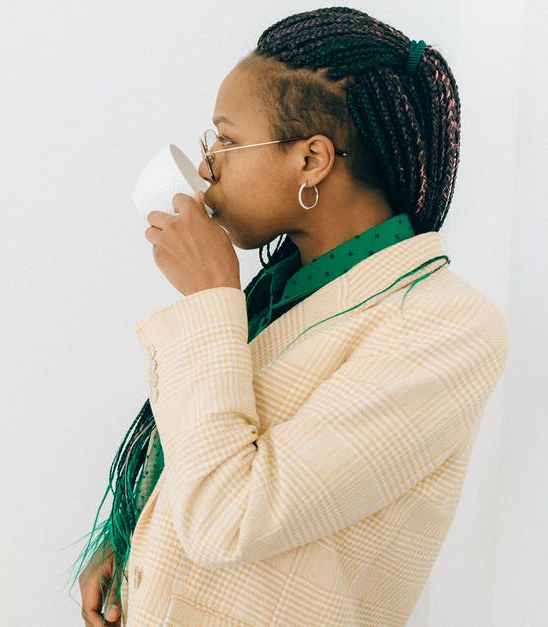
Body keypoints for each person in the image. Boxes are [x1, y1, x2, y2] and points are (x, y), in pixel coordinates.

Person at [73, 7, 508, 626]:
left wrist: (208, 298)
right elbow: (210, 451)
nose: (205, 166)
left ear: (312, 161)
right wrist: (136, 538)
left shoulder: (444, 328)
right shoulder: (284, 289)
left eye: (224, 139)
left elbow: (233, 518)